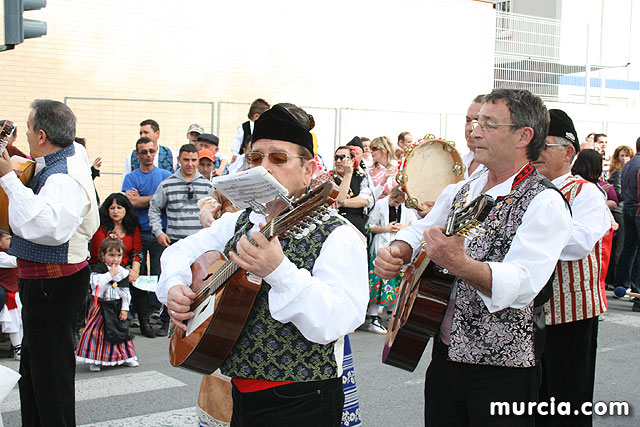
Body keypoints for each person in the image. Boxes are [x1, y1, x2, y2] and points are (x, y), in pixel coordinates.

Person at [157, 103, 368, 426]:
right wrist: (174, 286)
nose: (264, 167)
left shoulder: (339, 234)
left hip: (302, 399)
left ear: (309, 170)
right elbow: (180, 252)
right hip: (239, 393)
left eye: (279, 158)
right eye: (256, 159)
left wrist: (279, 271)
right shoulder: (242, 221)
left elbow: (337, 320)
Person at [374, 89, 572, 426]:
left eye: (489, 125)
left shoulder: (545, 201)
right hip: (446, 353)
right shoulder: (464, 188)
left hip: (502, 370)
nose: (475, 131)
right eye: (476, 122)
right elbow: (422, 227)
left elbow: (525, 284)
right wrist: (398, 250)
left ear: (524, 135)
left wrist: (461, 265)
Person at [0, 99, 99, 426]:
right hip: (47, 282)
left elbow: (48, 227)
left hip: (52, 284)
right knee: (33, 370)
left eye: (28, 129)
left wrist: (9, 180)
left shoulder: (64, 178)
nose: (25, 135)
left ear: (41, 134)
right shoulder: (70, 153)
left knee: (50, 376)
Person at [533, 110, 611, 426]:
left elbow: (577, 244)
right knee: (534, 398)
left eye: (544, 144)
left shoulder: (586, 192)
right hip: (531, 313)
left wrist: (530, 232)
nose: (534, 152)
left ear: (568, 152)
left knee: (568, 400)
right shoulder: (527, 190)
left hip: (573, 315)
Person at [149, 143, 214, 336]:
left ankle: (194, 324)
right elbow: (154, 209)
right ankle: (165, 322)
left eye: (194, 160)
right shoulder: (167, 184)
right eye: (186, 159)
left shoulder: (207, 185)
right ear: (179, 160)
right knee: (173, 283)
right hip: (175, 242)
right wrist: (158, 232)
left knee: (196, 288)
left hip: (200, 246)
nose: (190, 164)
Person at [122, 137, 172, 338]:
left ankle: (159, 314)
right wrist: (157, 196)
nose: (148, 155)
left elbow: (162, 202)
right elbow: (131, 203)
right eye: (144, 152)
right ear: (137, 155)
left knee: (161, 274)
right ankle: (137, 314)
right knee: (138, 276)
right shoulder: (130, 178)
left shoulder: (166, 175)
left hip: (161, 232)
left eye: (152, 151)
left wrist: (143, 198)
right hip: (139, 233)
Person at [76, 237, 139, 372]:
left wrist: (125, 309)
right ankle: (95, 359)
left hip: (116, 306)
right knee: (97, 333)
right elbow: (96, 284)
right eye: (111, 255)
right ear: (103, 255)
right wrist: (109, 274)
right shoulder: (99, 270)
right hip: (101, 307)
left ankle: (126, 356)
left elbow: (125, 292)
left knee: (121, 331)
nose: (115, 259)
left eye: (118, 255)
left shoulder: (123, 272)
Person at [366, 185, 418, 333]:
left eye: (397, 202)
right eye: (392, 200)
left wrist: (404, 228)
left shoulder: (408, 209)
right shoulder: (381, 204)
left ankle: (391, 314)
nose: (394, 203)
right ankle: (373, 316)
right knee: (378, 280)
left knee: (396, 280)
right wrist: (386, 229)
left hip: (399, 248)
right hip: (382, 246)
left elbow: (416, 227)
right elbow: (370, 225)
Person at [613, 137, 640, 297]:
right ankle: (637, 290)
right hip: (636, 209)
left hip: (628, 208)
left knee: (629, 248)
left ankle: (621, 284)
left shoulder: (629, 164)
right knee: (634, 251)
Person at [606, 145, 634, 286]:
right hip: (621, 211)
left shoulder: (627, 169)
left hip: (624, 210)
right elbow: (619, 193)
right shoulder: (618, 172)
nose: (624, 159)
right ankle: (618, 280)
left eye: (626, 156)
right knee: (623, 246)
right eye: (622, 156)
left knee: (626, 246)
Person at [330, 146, 373, 236]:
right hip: (336, 226)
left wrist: (342, 203)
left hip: (356, 225)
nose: (338, 161)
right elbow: (338, 200)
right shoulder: (329, 178)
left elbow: (364, 201)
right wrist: (348, 174)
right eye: (336, 158)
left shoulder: (360, 177)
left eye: (342, 157)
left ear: (352, 160)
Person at [121, 119, 176, 183]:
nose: (142, 136)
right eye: (141, 133)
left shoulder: (171, 155)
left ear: (157, 133)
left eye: (146, 132)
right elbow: (125, 183)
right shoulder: (131, 157)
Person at [0, 230, 21, 360]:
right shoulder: (2, 256)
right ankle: (17, 347)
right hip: (7, 293)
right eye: (8, 239)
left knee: (20, 319)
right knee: (13, 319)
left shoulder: (9, 253)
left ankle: (21, 346)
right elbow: (15, 262)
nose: (11, 241)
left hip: (15, 291)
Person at [230, 98, 270, 163]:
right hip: (244, 158)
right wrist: (234, 154)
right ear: (256, 116)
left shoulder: (265, 128)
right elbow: (237, 141)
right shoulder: (243, 127)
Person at [462, 94, 486, 179]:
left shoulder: (496, 169)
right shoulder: (458, 161)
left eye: (477, 121)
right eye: (468, 121)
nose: (470, 128)